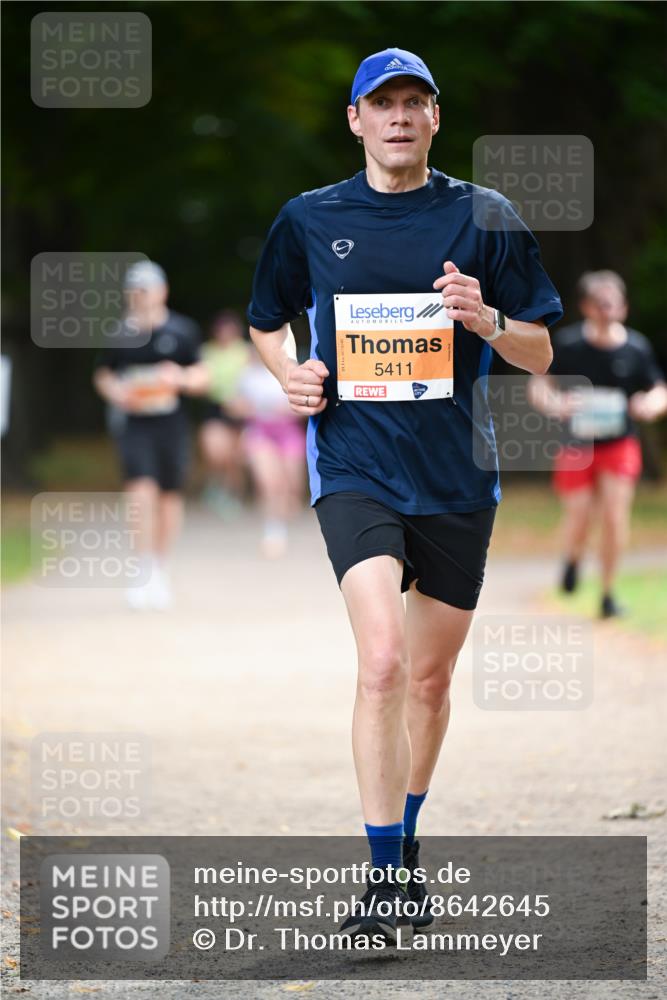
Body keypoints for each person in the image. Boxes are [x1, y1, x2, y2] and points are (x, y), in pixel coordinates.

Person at [247, 47, 562, 945]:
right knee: (381, 661)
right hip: (354, 465)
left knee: (427, 680)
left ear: (434, 118)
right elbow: (266, 319)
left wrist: (486, 321)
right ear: (354, 120)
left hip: (457, 474)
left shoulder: (483, 215)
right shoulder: (308, 219)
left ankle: (407, 833)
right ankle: (385, 880)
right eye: (379, 103)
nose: (396, 116)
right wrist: (292, 379)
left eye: (413, 102)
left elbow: (539, 348)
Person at [528, 270, 667, 618]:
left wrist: (649, 405)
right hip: (577, 444)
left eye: (614, 303)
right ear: (587, 306)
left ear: (623, 306)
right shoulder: (569, 344)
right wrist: (555, 405)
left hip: (619, 444)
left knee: (615, 518)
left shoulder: (636, 347)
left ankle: (607, 594)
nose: (609, 309)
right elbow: (540, 385)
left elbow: (658, 390)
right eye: (601, 303)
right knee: (579, 516)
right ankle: (572, 560)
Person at [93, 261, 209, 610]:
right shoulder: (119, 333)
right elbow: (103, 374)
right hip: (134, 424)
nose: (140, 296)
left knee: (170, 498)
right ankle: (142, 567)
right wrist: (116, 392)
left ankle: (160, 566)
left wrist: (181, 379)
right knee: (140, 491)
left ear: (162, 291)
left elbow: (203, 375)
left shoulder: (182, 330)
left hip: (170, 423)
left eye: (146, 289)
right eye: (134, 290)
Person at [227, 342, 306, 557]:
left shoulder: (292, 370)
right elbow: (233, 405)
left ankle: (283, 516)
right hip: (259, 431)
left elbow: (304, 406)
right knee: (269, 481)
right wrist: (246, 408)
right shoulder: (247, 375)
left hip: (288, 431)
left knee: (292, 483)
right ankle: (274, 530)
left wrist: (289, 409)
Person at [198, 310, 251, 517]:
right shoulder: (207, 352)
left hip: (242, 410)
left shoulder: (246, 352)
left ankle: (233, 495)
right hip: (217, 408)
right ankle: (215, 483)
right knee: (216, 452)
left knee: (235, 458)